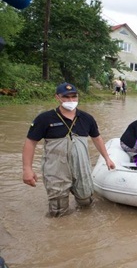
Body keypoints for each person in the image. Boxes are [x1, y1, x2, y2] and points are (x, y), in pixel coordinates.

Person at [22, 82, 116, 217]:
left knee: (86, 201)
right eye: (66, 97)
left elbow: (97, 138)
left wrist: (107, 158)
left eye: (74, 97)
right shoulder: (44, 119)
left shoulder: (86, 118)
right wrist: (27, 169)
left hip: (81, 166)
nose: (71, 100)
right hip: (56, 169)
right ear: (57, 97)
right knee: (58, 210)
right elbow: (30, 142)